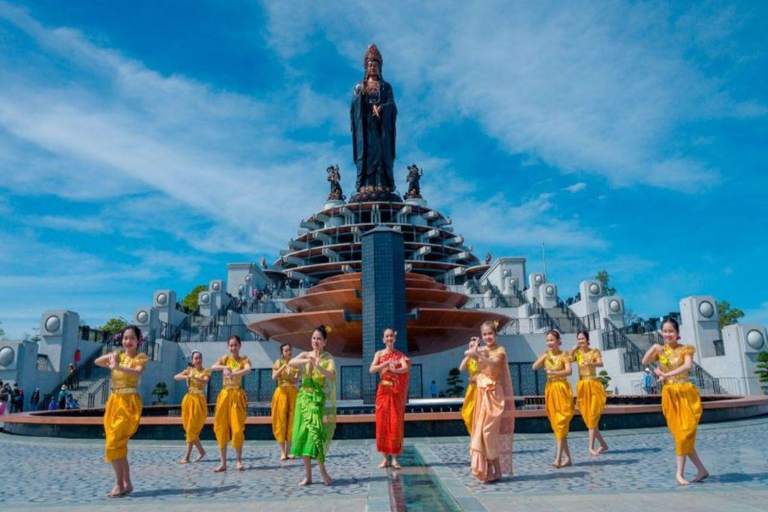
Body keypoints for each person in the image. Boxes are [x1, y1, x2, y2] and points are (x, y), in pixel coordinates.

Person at [642, 317, 709, 486]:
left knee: (685, 432)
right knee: (681, 434)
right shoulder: (660, 350)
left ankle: (679, 473)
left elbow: (687, 366)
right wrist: (654, 348)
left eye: (670, 331)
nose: (667, 334)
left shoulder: (685, 349)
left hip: (685, 393)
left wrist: (667, 375)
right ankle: (701, 470)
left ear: (677, 333)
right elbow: (644, 361)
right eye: (664, 331)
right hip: (670, 395)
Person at [94, 325, 148, 498]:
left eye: (132, 338)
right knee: (118, 444)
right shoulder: (119, 356)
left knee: (114, 442)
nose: (128, 341)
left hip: (129, 402)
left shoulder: (139, 357)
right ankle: (127, 483)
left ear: (138, 340)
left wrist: (117, 366)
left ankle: (118, 484)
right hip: (115, 402)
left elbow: (137, 373)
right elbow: (97, 362)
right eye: (125, 338)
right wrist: (111, 356)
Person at [465, 321, 515, 483]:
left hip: (494, 395)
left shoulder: (501, 351)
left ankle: (495, 469)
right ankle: (493, 470)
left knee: (488, 433)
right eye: (485, 334)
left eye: (490, 334)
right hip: (481, 394)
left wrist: (478, 354)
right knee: (480, 431)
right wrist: (475, 347)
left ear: (496, 334)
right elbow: (467, 354)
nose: (488, 337)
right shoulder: (483, 349)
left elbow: (494, 363)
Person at [289, 325, 337, 486]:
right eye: (314, 338)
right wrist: (307, 360)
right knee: (303, 435)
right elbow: (292, 363)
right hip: (303, 398)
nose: (316, 341)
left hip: (316, 399)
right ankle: (308, 476)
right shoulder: (306, 354)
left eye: (319, 339)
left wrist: (318, 366)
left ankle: (323, 471)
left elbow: (331, 375)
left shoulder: (328, 358)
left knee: (316, 434)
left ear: (325, 342)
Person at [350, 44, 397, 195]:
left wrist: (382, 108)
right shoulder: (359, 86)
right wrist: (362, 96)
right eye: (370, 65)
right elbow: (354, 108)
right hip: (366, 127)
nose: (372, 68)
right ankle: (367, 184)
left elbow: (392, 104)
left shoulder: (386, 87)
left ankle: (383, 184)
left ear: (380, 67)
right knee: (367, 154)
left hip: (382, 126)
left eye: (375, 65)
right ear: (366, 67)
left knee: (383, 152)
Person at [369, 328, 410, 469]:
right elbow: (372, 369)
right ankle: (384, 458)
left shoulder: (399, 355)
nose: (389, 338)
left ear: (394, 338)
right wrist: (385, 365)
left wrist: (395, 370)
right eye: (386, 336)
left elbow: (405, 368)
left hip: (395, 392)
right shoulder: (379, 354)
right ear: (383, 339)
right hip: (383, 391)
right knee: (382, 423)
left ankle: (394, 459)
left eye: (391, 336)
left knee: (395, 423)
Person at [533, 329, 574, 468]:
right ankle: (567, 458)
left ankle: (558, 458)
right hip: (550, 389)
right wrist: (544, 358)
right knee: (557, 424)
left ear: (558, 341)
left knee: (561, 422)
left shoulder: (564, 355)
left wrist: (554, 371)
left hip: (561, 388)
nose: (549, 343)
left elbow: (569, 371)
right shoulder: (546, 355)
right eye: (548, 340)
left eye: (552, 340)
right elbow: (534, 367)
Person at [211, 335, 251, 472]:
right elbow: (213, 367)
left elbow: (248, 369)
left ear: (240, 346)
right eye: (231, 345)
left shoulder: (243, 359)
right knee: (221, 426)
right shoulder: (225, 359)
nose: (233, 348)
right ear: (228, 346)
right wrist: (225, 366)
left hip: (237, 395)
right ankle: (223, 462)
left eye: (236, 345)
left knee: (237, 428)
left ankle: (238, 461)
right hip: (224, 395)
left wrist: (234, 373)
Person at [571, 330, 609, 455]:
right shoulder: (578, 353)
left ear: (587, 339)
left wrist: (591, 362)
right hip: (582, 386)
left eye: (582, 339)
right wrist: (573, 349)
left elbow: (600, 363)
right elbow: (569, 360)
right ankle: (603, 444)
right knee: (589, 418)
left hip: (593, 384)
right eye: (579, 339)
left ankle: (591, 447)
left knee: (592, 416)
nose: (580, 341)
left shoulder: (594, 351)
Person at [173, 350, 210, 464]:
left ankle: (187, 456)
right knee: (189, 427)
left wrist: (194, 377)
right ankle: (201, 451)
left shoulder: (205, 371)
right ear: (192, 360)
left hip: (199, 401)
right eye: (196, 358)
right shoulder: (189, 370)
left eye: (200, 358)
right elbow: (176, 377)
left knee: (191, 428)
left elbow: (205, 381)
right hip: (188, 400)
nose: (198, 360)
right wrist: (187, 376)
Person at [271, 343, 300, 461]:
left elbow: (295, 380)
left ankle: (290, 451)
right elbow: (274, 376)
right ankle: (282, 451)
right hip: (281, 392)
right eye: (286, 350)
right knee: (280, 420)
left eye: (289, 350)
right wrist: (283, 368)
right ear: (282, 352)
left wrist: (290, 373)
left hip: (292, 392)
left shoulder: (295, 364)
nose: (288, 352)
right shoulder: (278, 363)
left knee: (292, 420)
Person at [459, 352, 479, 434]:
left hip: (482, 387)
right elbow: (461, 368)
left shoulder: (482, 358)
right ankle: (473, 433)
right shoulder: (469, 359)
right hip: (472, 388)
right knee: (468, 410)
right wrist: (468, 355)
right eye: (470, 346)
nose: (471, 348)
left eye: (473, 346)